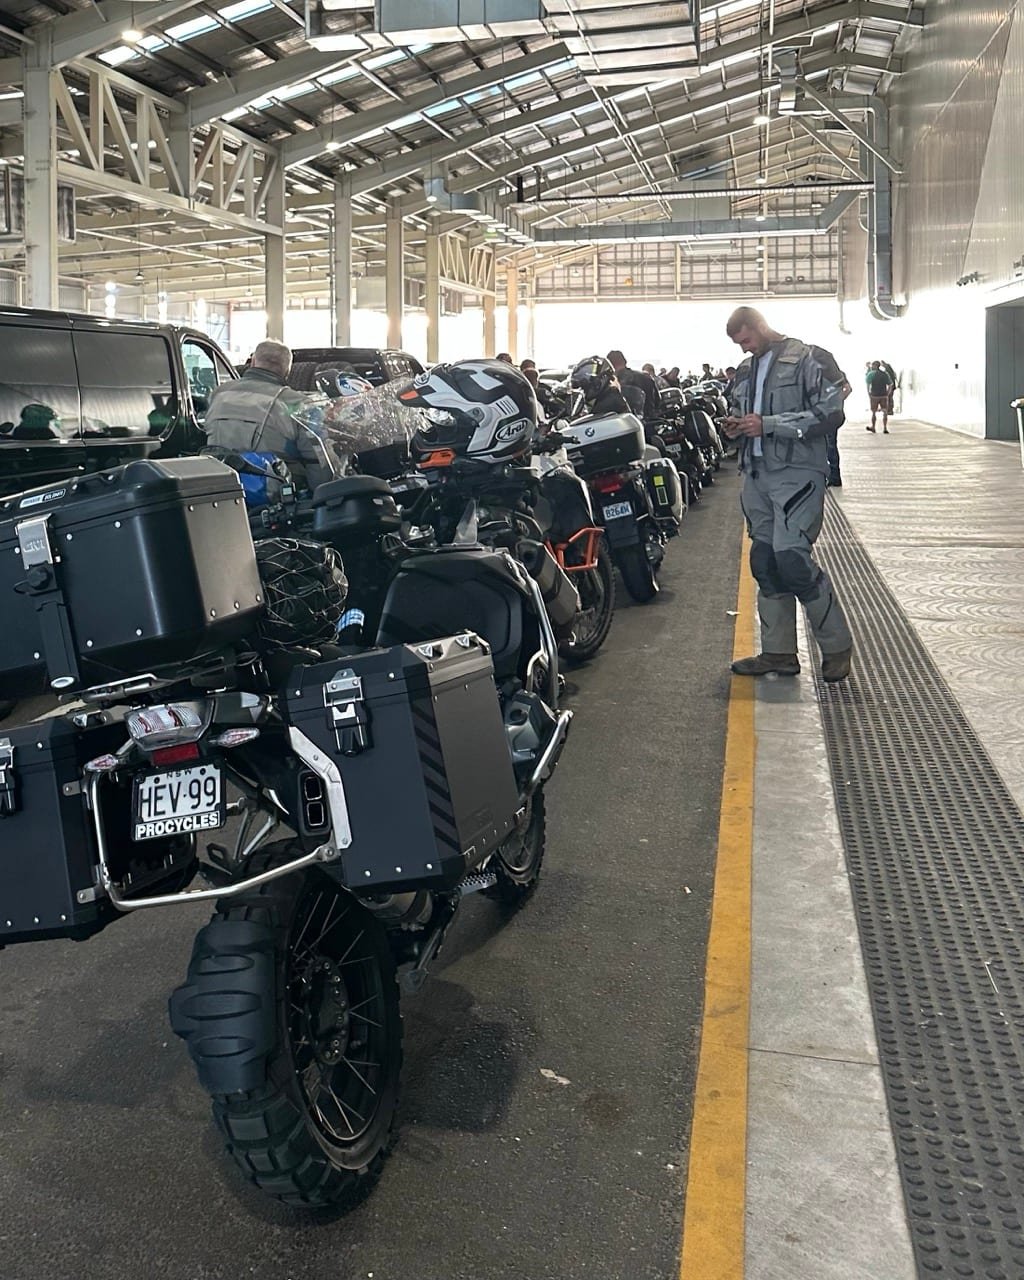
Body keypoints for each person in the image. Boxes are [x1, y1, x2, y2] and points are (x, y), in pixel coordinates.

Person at [721, 306, 853, 683]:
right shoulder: (745, 371)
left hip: (798, 475)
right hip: (757, 476)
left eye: (746, 340)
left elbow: (831, 414)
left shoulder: (811, 358)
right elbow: (740, 411)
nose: (744, 349)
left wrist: (770, 425)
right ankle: (778, 653)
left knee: (792, 559)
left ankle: (837, 646)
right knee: (764, 561)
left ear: (760, 326)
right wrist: (735, 426)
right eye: (738, 344)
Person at [203, 339, 339, 485]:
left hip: (218, 485)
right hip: (275, 491)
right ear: (287, 371)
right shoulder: (299, 404)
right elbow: (319, 461)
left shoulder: (219, 393)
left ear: (253, 361)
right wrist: (321, 498)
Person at [809, 346, 852, 487]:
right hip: (831, 415)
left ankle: (828, 476)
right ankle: (834, 475)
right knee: (831, 445)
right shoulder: (837, 373)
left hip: (823, 415)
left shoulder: (815, 375)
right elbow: (848, 389)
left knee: (826, 446)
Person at [607, 350, 660, 423]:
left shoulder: (611, 383)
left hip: (624, 425)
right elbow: (657, 400)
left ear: (610, 365)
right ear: (625, 361)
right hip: (649, 422)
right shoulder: (646, 377)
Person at [865, 360, 894, 433]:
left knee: (874, 412)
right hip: (883, 395)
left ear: (875, 366)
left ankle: (873, 427)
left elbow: (868, 385)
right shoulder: (885, 374)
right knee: (884, 411)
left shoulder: (871, 374)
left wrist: (869, 393)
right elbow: (890, 384)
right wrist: (888, 393)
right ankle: (885, 428)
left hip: (874, 395)